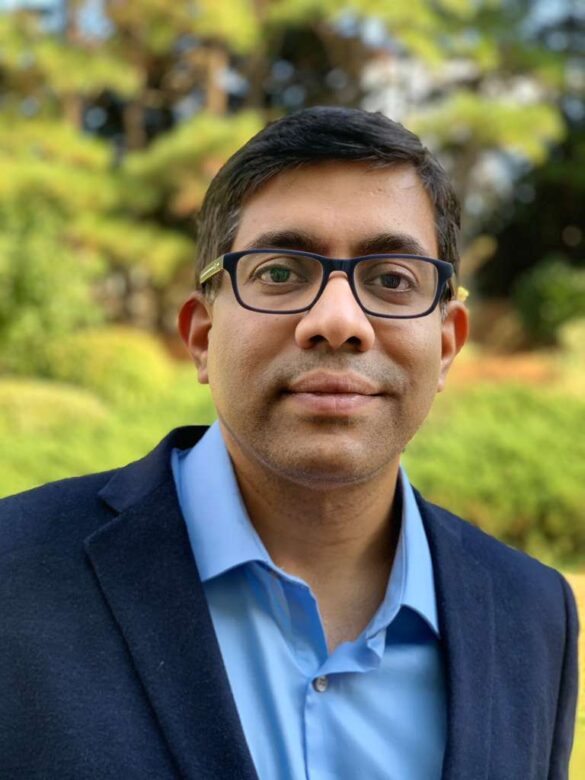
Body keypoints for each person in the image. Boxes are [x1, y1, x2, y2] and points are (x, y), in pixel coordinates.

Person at [0, 107, 578, 780]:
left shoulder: (533, 615)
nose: (337, 321)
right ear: (201, 336)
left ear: (446, 346)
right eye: (280, 273)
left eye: (392, 279)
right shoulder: (17, 575)